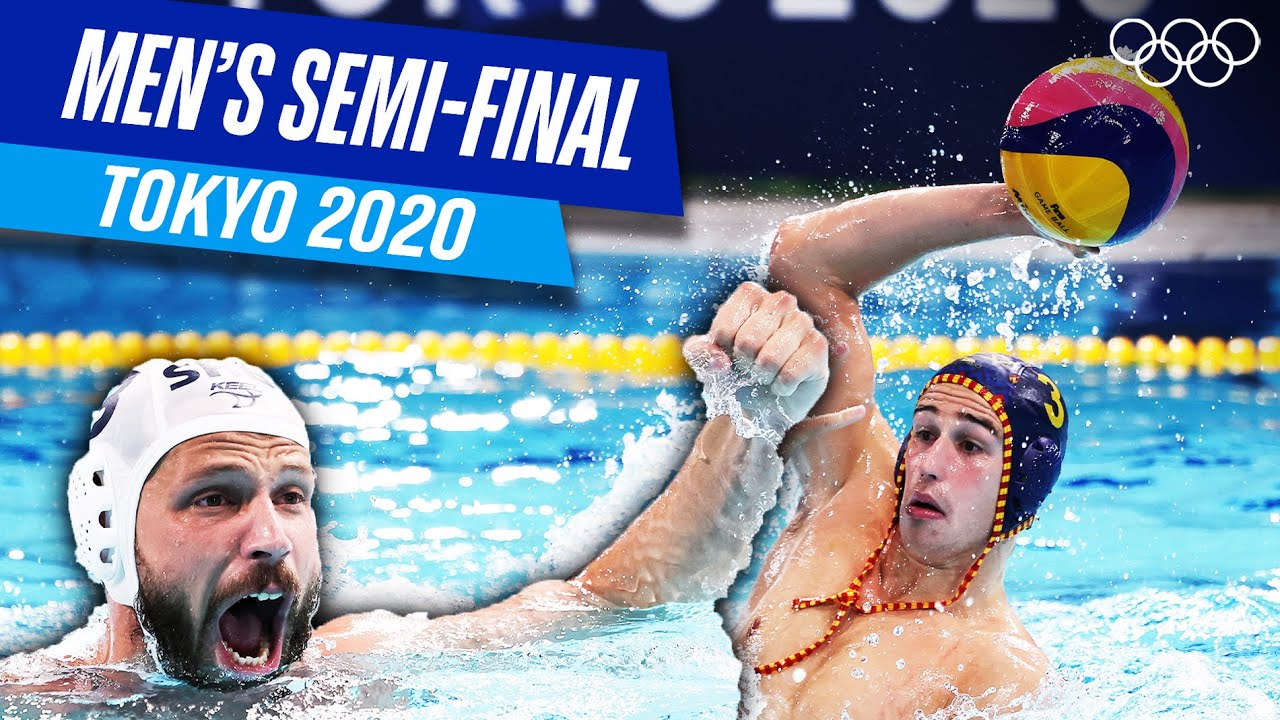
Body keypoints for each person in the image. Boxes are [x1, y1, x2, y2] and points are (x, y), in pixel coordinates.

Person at [1, 286, 848, 694]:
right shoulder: (37, 703)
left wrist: (749, 423)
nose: (270, 536)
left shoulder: (348, 670)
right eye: (215, 497)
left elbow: (611, 606)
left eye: (291, 496)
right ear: (109, 532)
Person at [735, 183, 1081, 719]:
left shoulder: (999, 675)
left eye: (971, 445)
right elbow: (802, 259)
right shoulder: (852, 491)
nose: (928, 464)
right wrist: (1024, 207)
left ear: (1020, 486)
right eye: (923, 433)